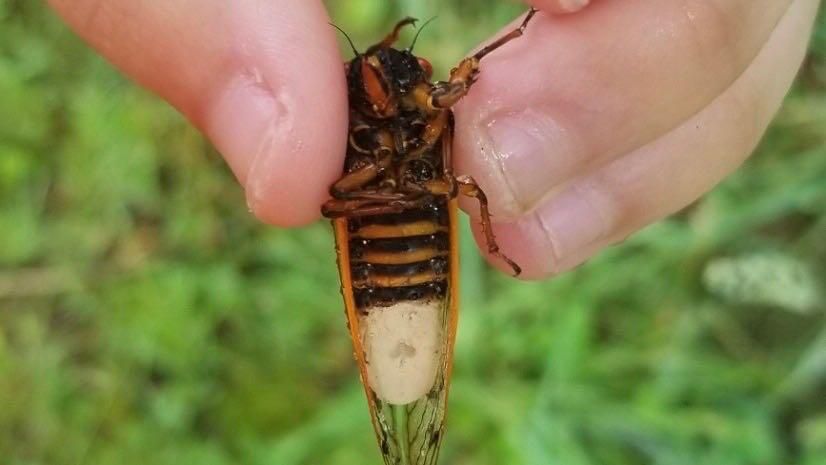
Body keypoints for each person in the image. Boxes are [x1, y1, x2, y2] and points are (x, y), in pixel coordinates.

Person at [48, 0, 820, 279]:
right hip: (383, 211)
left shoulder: (435, 100)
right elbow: (332, 192)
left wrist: (514, 38)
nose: (407, 90)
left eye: (409, 81)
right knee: (354, 190)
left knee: (473, 183)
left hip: (420, 201)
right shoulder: (374, 113)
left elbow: (463, 86)